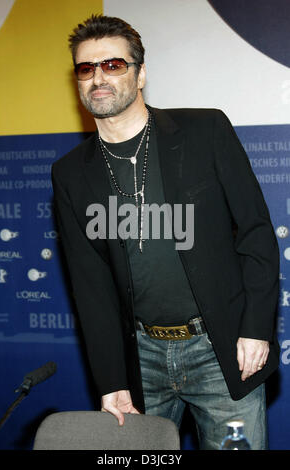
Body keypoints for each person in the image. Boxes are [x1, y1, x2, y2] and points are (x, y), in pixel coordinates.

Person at [51, 14, 280, 450]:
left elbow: (255, 232)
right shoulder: (69, 174)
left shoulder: (204, 131)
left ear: (140, 75)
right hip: (141, 360)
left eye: (113, 65)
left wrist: (256, 328)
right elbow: (90, 284)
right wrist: (111, 379)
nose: (98, 77)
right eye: (86, 68)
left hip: (222, 349)